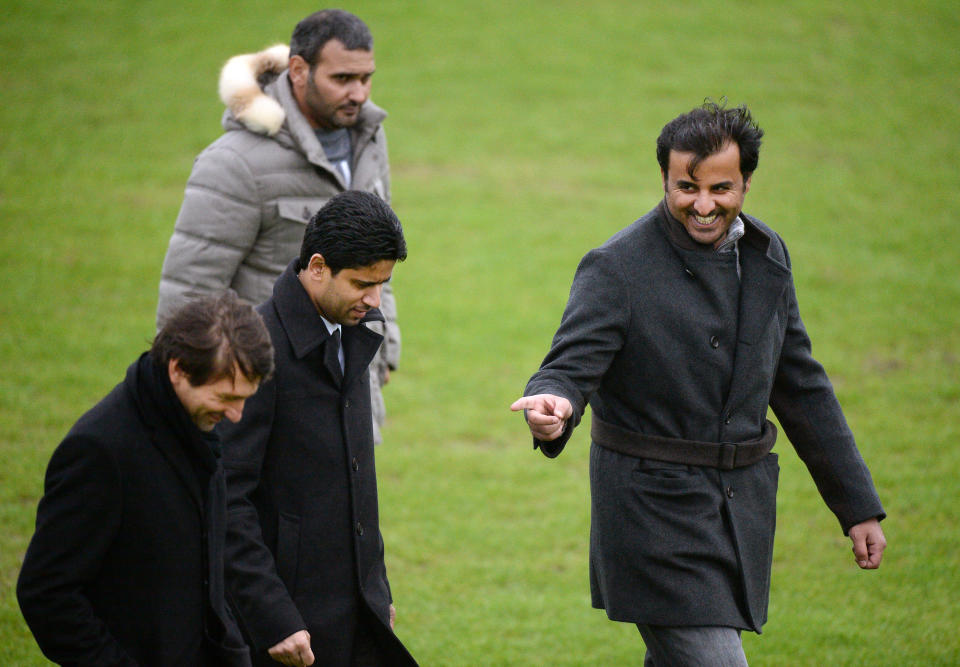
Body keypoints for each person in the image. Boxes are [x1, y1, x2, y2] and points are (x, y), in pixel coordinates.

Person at [510, 101, 887, 665]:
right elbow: (569, 364)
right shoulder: (617, 266)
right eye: (686, 187)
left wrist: (856, 504)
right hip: (652, 520)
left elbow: (800, 383)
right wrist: (553, 402)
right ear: (664, 178)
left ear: (746, 182)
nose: (704, 205)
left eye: (721, 188)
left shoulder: (768, 256)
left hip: (739, 515)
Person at [156, 8, 399, 446]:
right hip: (265, 399)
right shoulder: (234, 163)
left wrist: (385, 345)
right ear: (298, 70)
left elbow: (377, 261)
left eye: (366, 79)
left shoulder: (368, 139)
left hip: (350, 383)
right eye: (342, 79)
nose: (359, 94)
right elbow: (189, 292)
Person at [17, 291, 274, 666]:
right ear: (179, 370)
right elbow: (46, 593)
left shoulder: (196, 423)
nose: (237, 415)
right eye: (226, 397)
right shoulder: (100, 450)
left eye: (245, 398)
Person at [221, 190, 416, 666]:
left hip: (355, 611)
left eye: (383, 284)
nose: (374, 301)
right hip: (287, 627)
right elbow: (226, 500)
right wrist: (272, 615)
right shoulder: (257, 351)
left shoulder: (355, 329)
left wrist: (376, 590)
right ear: (317, 267)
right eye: (362, 284)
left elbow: (356, 482)